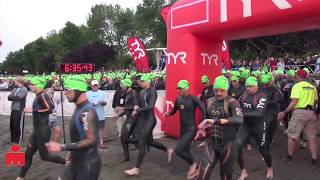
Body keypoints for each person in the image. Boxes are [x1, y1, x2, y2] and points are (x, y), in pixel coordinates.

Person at [46, 75, 101, 180]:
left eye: (67, 89)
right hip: (75, 161)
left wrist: (62, 146)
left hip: (87, 165)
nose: (65, 93)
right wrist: (71, 151)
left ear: (78, 90)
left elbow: (92, 140)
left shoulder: (87, 111)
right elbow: (79, 136)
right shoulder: (79, 108)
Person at [16, 77, 65, 180]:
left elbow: (50, 108)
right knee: (27, 155)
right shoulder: (39, 95)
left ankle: (66, 162)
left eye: (31, 84)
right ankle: (20, 177)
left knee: (45, 156)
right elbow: (50, 105)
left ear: (37, 85)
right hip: (36, 132)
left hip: (43, 132)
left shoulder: (42, 95)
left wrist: (34, 110)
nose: (30, 86)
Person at [196, 76, 243, 180]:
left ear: (227, 89)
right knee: (202, 174)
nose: (219, 93)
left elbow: (239, 119)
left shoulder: (232, 102)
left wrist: (216, 121)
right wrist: (202, 129)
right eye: (216, 90)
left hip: (228, 145)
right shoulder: (209, 101)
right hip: (212, 143)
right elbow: (207, 119)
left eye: (222, 90)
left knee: (225, 174)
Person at [124, 74, 171, 176]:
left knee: (142, 142)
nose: (140, 83)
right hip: (143, 120)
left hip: (150, 120)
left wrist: (138, 110)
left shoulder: (152, 91)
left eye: (142, 81)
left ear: (147, 82)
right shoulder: (141, 92)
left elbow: (150, 106)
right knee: (150, 142)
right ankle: (167, 149)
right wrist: (135, 108)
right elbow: (138, 104)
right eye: (140, 82)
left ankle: (136, 168)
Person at [165, 80, 205, 179]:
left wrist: (203, 124)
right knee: (185, 150)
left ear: (186, 88)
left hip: (191, 129)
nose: (179, 91)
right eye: (178, 89)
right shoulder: (178, 99)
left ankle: (193, 164)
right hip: (182, 129)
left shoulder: (193, 99)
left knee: (178, 150)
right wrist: (169, 113)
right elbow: (174, 109)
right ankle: (196, 170)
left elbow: (204, 110)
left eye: (180, 89)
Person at [278, 69, 318, 167]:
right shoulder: (312, 87)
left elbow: (295, 101)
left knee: (292, 135)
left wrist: (285, 111)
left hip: (299, 112)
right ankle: (314, 160)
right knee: (312, 138)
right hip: (311, 112)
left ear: (298, 76)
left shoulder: (297, 86)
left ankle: (289, 156)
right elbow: (316, 101)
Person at [237, 76, 273, 179]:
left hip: (258, 126)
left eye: (250, 86)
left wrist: (241, 114)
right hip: (245, 126)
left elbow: (258, 113)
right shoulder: (243, 95)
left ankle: (270, 168)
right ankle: (243, 171)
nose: (247, 88)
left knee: (263, 150)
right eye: (246, 86)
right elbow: (237, 106)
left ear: (256, 86)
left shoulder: (262, 96)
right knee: (237, 147)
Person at [116, 79, 139, 162]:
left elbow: (136, 107)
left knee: (124, 137)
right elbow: (128, 110)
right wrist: (119, 115)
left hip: (133, 119)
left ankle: (142, 141)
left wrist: (122, 108)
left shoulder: (133, 93)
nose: (121, 86)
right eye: (121, 84)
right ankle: (127, 157)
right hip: (129, 117)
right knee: (123, 138)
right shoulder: (127, 93)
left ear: (128, 85)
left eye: (123, 84)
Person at [259, 74, 283, 145]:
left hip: (272, 111)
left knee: (270, 127)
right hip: (263, 110)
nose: (265, 85)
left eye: (266, 84)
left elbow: (276, 101)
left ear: (271, 81)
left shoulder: (276, 89)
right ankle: (263, 140)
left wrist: (264, 101)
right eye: (264, 84)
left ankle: (269, 140)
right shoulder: (261, 88)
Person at [86, 80, 108, 149]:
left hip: (100, 114)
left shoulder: (102, 93)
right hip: (91, 114)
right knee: (91, 129)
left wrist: (101, 102)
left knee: (100, 129)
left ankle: (101, 142)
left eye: (96, 85)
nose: (95, 86)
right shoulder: (87, 93)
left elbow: (105, 103)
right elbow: (86, 104)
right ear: (91, 86)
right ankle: (91, 142)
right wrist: (93, 104)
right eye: (94, 85)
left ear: (98, 85)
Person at [8, 77, 28, 144]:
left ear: (19, 81)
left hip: (19, 109)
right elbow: (9, 97)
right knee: (12, 125)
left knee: (18, 125)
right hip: (13, 109)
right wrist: (13, 97)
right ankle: (13, 139)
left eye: (15, 81)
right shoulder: (15, 88)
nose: (14, 82)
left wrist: (12, 97)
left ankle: (18, 140)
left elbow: (18, 98)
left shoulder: (24, 89)